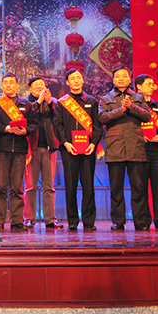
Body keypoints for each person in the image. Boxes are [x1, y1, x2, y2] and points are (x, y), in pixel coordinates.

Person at [99, 67, 152, 231]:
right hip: (115, 147)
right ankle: (118, 221)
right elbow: (102, 118)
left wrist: (132, 107)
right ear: (113, 79)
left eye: (124, 76)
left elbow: (147, 116)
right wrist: (121, 110)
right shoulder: (106, 98)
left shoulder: (138, 97)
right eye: (118, 76)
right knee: (116, 188)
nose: (121, 79)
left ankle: (140, 222)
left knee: (138, 187)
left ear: (130, 79)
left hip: (136, 146)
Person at [53, 68, 103, 231]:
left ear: (83, 80)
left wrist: (93, 143)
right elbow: (58, 125)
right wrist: (65, 143)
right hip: (69, 150)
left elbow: (97, 125)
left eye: (78, 78)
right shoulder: (62, 102)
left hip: (88, 149)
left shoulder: (91, 101)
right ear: (67, 82)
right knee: (71, 186)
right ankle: (73, 221)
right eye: (72, 78)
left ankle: (89, 221)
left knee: (88, 186)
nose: (76, 80)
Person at [0, 73, 38, 231]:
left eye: (12, 82)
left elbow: (34, 124)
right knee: (0, 187)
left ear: (17, 85)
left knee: (17, 188)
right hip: (1, 149)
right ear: (2, 85)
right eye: (6, 83)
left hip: (19, 150)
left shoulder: (26, 104)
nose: (9, 85)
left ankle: (17, 220)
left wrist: (25, 131)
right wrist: (5, 128)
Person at [134, 74, 158, 230]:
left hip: (157, 151)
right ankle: (144, 220)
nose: (152, 86)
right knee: (141, 188)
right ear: (139, 87)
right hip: (139, 152)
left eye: (153, 84)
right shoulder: (133, 106)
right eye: (148, 84)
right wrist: (138, 136)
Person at [23, 76, 61, 229]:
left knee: (49, 186)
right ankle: (29, 218)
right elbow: (26, 115)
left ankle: (50, 219)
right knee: (30, 186)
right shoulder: (25, 103)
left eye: (42, 84)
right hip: (31, 148)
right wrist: (38, 102)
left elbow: (59, 116)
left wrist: (49, 102)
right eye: (36, 85)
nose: (39, 87)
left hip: (49, 147)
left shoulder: (54, 102)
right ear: (30, 88)